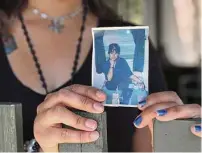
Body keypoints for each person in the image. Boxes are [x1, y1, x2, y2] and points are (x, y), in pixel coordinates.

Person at [0, 0, 201, 152]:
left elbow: (147, 140)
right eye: (112, 52)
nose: (113, 54)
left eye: (114, 52)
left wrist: (177, 137)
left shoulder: (130, 38)